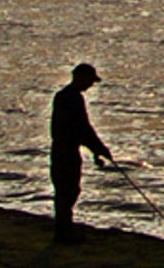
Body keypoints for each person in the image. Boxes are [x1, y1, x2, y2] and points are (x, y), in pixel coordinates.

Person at [49, 61, 115, 241]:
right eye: (90, 80)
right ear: (80, 77)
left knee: (67, 191)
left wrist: (96, 150)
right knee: (67, 191)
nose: (91, 85)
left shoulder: (66, 96)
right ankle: (63, 232)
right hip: (66, 151)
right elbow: (82, 128)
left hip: (63, 149)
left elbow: (82, 129)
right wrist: (99, 149)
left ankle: (64, 229)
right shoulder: (71, 98)